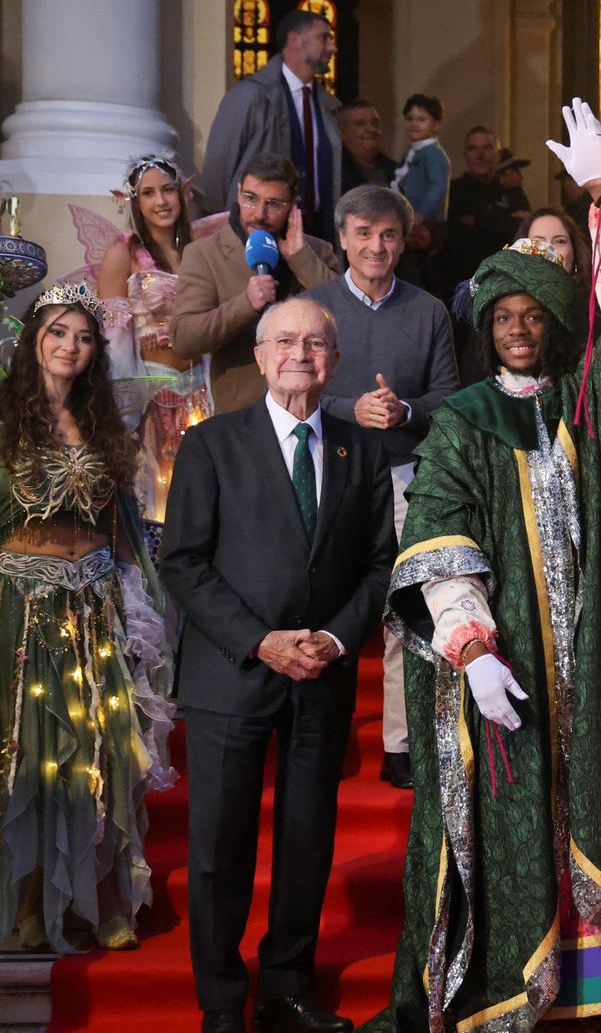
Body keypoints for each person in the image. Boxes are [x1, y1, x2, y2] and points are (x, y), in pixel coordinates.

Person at [376, 99, 601, 1031]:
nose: (517, 329)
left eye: (532, 316)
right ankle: (508, 984)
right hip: (504, 660)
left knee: (593, 798)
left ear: (554, 324)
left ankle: (595, 985)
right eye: (503, 317)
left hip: (594, 653)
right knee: (508, 819)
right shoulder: (465, 419)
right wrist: (470, 648)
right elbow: (437, 529)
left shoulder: (591, 401)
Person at [160, 297, 394, 1033]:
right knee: (219, 848)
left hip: (322, 676)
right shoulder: (211, 444)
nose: (301, 354)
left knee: (307, 841)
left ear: (336, 360)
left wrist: (335, 640)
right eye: (285, 341)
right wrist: (261, 641)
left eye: (316, 343)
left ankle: (287, 990)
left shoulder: (364, 450)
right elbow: (183, 562)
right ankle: (222, 1003)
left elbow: (381, 565)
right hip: (231, 673)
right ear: (259, 357)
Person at [0, 282, 175, 954]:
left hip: (94, 601)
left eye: (84, 338)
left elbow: (123, 531)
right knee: (29, 753)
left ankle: (102, 897)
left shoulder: (105, 425)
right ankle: (31, 899)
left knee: (102, 748)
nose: (71, 346)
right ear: (34, 338)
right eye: (58, 332)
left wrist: (138, 610)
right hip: (19, 605)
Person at [301, 186, 458, 793]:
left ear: (403, 241)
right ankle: (324, 738)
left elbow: (448, 396)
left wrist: (405, 411)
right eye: (363, 234)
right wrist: (350, 408)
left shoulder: (428, 310)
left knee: (401, 609)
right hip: (327, 472)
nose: (376, 246)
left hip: (402, 474)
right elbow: (293, 389)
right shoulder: (313, 307)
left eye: (388, 234)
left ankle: (401, 742)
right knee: (325, 602)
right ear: (342, 239)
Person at [172, 153, 342, 414]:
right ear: (239, 192)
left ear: (293, 206)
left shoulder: (317, 252)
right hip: (241, 415)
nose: (259, 214)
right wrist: (245, 304)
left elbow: (346, 318)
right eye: (250, 199)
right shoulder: (205, 253)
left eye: (273, 204)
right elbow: (184, 340)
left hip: (313, 411)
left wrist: (301, 258)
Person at [96, 155, 213, 523]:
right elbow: (113, 337)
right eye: (148, 193)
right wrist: (124, 406)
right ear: (133, 201)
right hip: (152, 394)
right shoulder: (124, 253)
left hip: (203, 389)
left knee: (201, 494)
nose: (160, 201)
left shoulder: (202, 248)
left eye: (167, 190)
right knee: (157, 500)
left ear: (182, 193)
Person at [201, 9, 340, 240]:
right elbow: (219, 167)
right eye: (324, 38)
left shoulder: (327, 105)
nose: (332, 48)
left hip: (315, 233)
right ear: (295, 40)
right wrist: (229, 226)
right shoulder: (251, 96)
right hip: (256, 231)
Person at [440, 127, 517, 292]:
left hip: (503, 283)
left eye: (487, 148)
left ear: (498, 154)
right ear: (465, 155)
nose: (480, 155)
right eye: (473, 149)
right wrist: (499, 220)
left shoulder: (512, 193)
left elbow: (519, 231)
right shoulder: (452, 192)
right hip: (460, 284)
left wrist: (480, 220)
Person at [393, 94, 449, 226]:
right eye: (410, 119)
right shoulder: (411, 152)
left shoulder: (434, 154)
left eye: (421, 119)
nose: (414, 124)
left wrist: (422, 213)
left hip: (427, 222)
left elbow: (438, 187)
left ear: (435, 125)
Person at [522, 206, 593, 295]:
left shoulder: (598, 299)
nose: (549, 250)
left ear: (574, 251)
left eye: (559, 241)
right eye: (538, 242)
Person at [337, 100, 397, 193]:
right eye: (360, 124)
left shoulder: (395, 170)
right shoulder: (335, 173)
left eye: (375, 123)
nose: (371, 129)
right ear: (342, 132)